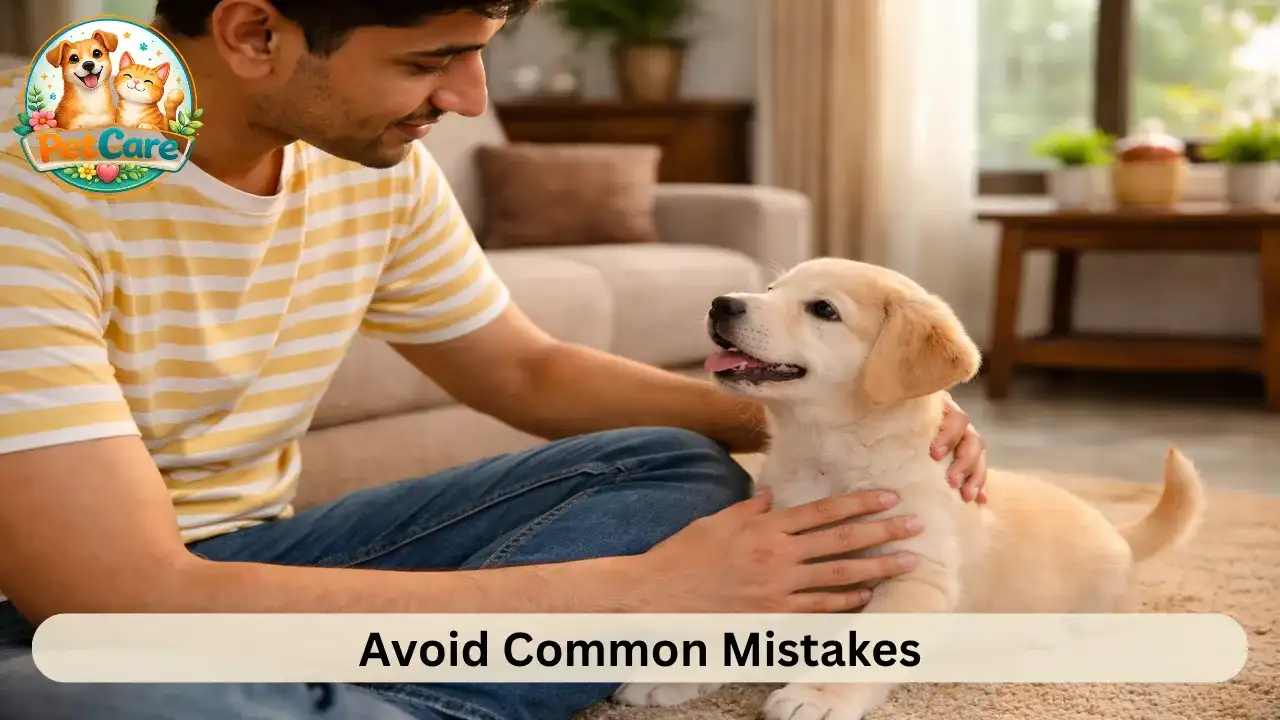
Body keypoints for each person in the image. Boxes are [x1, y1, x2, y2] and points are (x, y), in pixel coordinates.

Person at [0, 1, 990, 718]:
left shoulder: (364, 161)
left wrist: (847, 410)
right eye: (432, 59)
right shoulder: (31, 184)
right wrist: (634, 595)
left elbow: (526, 373)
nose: (469, 99)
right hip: (60, 605)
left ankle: (320, 694)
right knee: (101, 688)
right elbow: (113, 595)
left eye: (478, 53)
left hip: (256, 554)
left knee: (667, 466)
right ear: (255, 34)